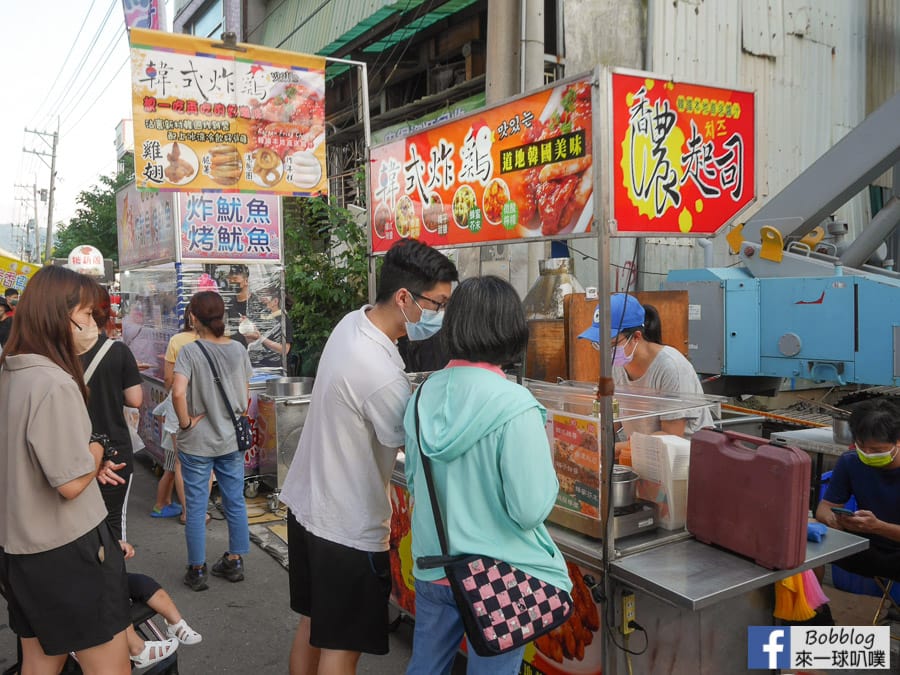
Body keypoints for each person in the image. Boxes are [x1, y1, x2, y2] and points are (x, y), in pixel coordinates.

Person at [281, 239, 458, 675]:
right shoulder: (378, 372)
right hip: (345, 528)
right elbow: (411, 444)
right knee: (341, 649)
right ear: (404, 297)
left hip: (307, 509)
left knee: (314, 626)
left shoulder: (353, 323)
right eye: (437, 303)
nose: (441, 314)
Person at [403, 276, 572, 675]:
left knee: (425, 668)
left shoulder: (421, 396)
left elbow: (414, 484)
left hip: (433, 567)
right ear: (509, 329)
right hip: (496, 577)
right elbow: (530, 509)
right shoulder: (515, 405)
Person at [0, 265, 131, 674]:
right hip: (68, 550)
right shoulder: (53, 382)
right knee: (110, 665)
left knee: (39, 661)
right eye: (88, 314)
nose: (92, 324)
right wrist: (95, 451)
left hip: (20, 549)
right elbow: (72, 483)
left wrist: (90, 463)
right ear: (62, 315)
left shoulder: (10, 371)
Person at [172, 290, 253, 591]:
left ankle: (197, 569)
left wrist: (185, 422)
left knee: (195, 506)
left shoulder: (190, 352)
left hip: (198, 442)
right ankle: (234, 561)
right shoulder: (238, 350)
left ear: (193, 317)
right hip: (230, 440)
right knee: (235, 501)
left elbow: (178, 392)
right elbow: (245, 398)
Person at [578, 293, 713, 448]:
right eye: (599, 344)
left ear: (636, 336)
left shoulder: (671, 367)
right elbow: (610, 417)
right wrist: (588, 434)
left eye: (612, 344)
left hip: (685, 461)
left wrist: (608, 449)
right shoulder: (615, 365)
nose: (606, 352)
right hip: (644, 457)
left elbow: (672, 437)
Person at [79, 284, 144, 542]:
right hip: (113, 449)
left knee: (79, 528)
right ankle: (112, 579)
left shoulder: (58, 353)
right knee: (113, 525)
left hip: (74, 450)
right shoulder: (118, 351)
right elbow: (135, 400)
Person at [816, 398, 900, 579]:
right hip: (865, 544)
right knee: (801, 546)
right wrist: (832, 520)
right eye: (862, 447)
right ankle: (815, 606)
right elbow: (824, 507)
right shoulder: (851, 461)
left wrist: (879, 527)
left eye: (877, 449)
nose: (868, 454)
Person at [151, 308, 196, 520]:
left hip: (174, 420)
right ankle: (182, 509)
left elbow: (169, 381)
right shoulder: (217, 341)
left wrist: (172, 398)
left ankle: (165, 504)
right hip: (193, 415)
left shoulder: (177, 340)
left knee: (174, 467)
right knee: (180, 466)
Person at [245, 286, 294, 369]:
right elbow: (251, 342)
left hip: (277, 370)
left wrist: (262, 338)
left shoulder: (283, 321)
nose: (262, 300)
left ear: (275, 301)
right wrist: (247, 328)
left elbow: (285, 349)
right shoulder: (264, 319)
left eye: (266, 297)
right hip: (258, 367)